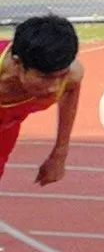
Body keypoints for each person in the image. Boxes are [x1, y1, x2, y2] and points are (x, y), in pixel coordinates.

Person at [0, 15, 84, 185]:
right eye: (45, 77)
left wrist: (60, 153)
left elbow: (70, 91)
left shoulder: (72, 76)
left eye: (62, 76)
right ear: (17, 64)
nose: (54, 87)